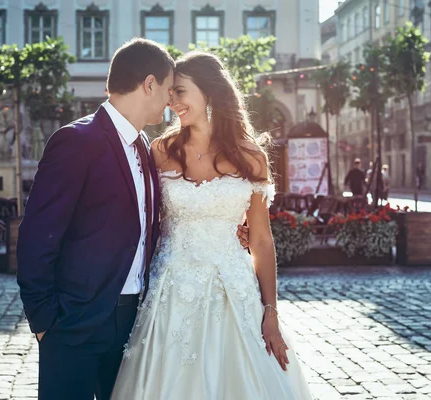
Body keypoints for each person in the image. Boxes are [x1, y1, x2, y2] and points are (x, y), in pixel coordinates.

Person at [16, 39, 248, 400]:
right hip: (75, 323)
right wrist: (45, 322)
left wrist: (229, 227)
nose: (171, 101)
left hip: (135, 324)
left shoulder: (146, 147)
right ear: (150, 85)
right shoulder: (76, 140)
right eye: (169, 90)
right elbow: (36, 236)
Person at [111, 51, 312, 399]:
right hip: (170, 295)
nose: (172, 102)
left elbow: (262, 241)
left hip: (233, 294)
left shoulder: (252, 157)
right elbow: (142, 221)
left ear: (210, 92)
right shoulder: (160, 151)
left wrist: (270, 312)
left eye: (180, 92)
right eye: (170, 93)